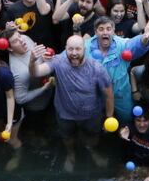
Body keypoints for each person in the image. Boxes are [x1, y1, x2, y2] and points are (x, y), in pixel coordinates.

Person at [29, 35, 114, 172]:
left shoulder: (97, 69)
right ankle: (71, 154)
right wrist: (32, 60)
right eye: (70, 49)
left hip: (91, 114)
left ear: (84, 49)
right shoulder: (58, 62)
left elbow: (109, 94)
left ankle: (91, 151)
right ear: (65, 49)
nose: (74, 53)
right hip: (65, 113)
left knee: (93, 136)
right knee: (67, 136)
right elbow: (36, 72)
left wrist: (109, 117)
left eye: (78, 49)